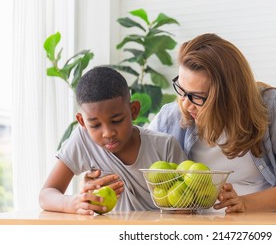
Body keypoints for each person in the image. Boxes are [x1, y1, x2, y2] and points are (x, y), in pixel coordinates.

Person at [86, 33, 276, 213]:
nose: (185, 104)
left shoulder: (271, 106)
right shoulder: (171, 116)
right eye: (181, 89)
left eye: (197, 97)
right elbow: (139, 171)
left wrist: (244, 204)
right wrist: (98, 184)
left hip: (263, 226)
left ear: (228, 94)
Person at [39, 66, 187, 215]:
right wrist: (73, 203)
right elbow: (46, 194)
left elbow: (186, 207)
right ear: (82, 122)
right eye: (95, 125)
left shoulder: (165, 146)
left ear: (133, 110)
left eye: (116, 120)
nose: (108, 133)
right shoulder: (83, 140)